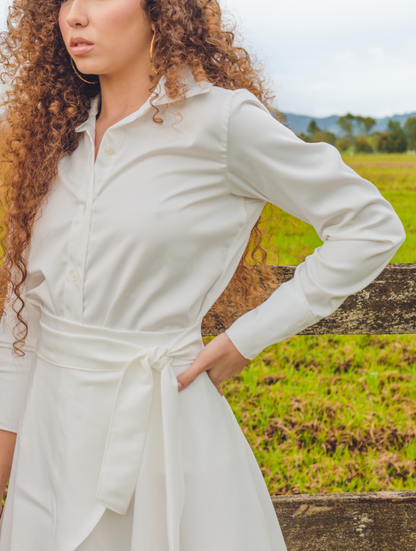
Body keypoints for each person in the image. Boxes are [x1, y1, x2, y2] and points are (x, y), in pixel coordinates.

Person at [0, 0, 406, 549]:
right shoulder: (57, 139)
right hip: (46, 450)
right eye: (63, 0)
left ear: (159, 10)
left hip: (162, 435)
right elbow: (23, 321)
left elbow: (370, 225)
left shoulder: (221, 122)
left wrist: (246, 338)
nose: (74, 15)